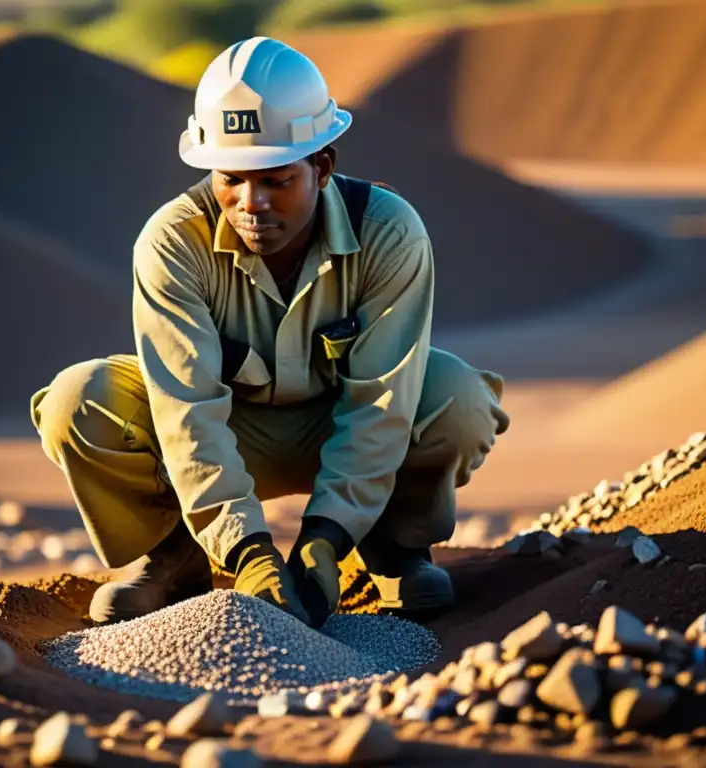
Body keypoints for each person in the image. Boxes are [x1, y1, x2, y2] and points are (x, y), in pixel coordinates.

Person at [30, 36, 510, 628]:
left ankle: (392, 550)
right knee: (78, 401)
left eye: (276, 180)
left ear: (323, 167)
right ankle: (176, 556)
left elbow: (382, 402)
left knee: (458, 399)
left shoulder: (391, 232)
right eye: (230, 180)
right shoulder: (171, 244)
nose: (250, 203)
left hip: (336, 425)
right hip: (226, 429)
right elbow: (186, 410)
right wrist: (248, 551)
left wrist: (326, 538)